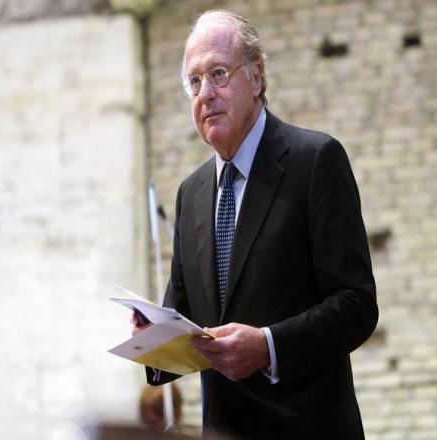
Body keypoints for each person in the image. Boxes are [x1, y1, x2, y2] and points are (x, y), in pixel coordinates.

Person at [132, 9, 378, 439]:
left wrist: (268, 346)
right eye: (194, 81)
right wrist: (154, 339)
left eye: (218, 74)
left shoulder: (315, 161)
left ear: (257, 77)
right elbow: (186, 322)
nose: (205, 93)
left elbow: (356, 305)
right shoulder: (191, 194)